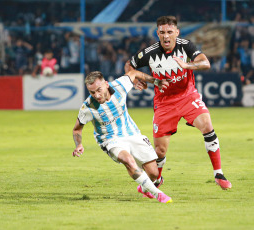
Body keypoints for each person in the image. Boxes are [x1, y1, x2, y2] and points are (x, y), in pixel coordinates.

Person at [124, 15, 232, 190]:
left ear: (177, 32)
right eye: (162, 33)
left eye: (169, 32)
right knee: (160, 151)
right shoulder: (150, 52)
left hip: (188, 96)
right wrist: (136, 79)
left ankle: (218, 174)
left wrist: (187, 65)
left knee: (206, 125)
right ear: (157, 33)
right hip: (164, 103)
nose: (166, 36)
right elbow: (129, 65)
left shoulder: (186, 46)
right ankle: (157, 180)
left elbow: (205, 63)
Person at [72, 70, 173, 203]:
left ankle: (144, 187)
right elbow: (77, 130)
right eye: (92, 92)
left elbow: (134, 73)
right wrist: (78, 144)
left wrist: (157, 82)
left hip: (132, 133)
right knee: (128, 160)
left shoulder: (119, 86)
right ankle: (159, 194)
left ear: (106, 84)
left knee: (154, 174)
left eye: (98, 90)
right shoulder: (88, 107)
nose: (96, 95)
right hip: (110, 140)